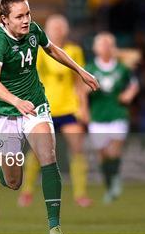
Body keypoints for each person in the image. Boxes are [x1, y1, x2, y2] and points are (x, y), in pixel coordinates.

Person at [0, 0, 99, 234]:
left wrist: (80, 71)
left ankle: (55, 228)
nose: (26, 20)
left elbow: (53, 50)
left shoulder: (33, 31)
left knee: (48, 157)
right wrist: (16, 102)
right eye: (19, 16)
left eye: (27, 14)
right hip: (6, 112)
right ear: (5, 19)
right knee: (14, 181)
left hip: (36, 105)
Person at [18, 14, 93, 208]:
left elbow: (79, 81)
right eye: (54, 27)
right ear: (47, 30)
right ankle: (26, 191)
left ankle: (80, 194)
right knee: (36, 152)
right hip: (44, 108)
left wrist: (83, 108)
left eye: (61, 27)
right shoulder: (40, 50)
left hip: (69, 109)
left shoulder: (74, 50)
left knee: (77, 150)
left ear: (66, 30)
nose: (58, 30)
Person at [85, 32, 139, 204]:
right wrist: (84, 109)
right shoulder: (90, 68)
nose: (105, 48)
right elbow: (80, 89)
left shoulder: (122, 68)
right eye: (102, 44)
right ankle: (110, 186)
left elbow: (134, 84)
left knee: (113, 152)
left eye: (108, 44)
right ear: (95, 48)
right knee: (102, 155)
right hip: (98, 115)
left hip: (117, 114)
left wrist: (129, 94)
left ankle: (115, 182)